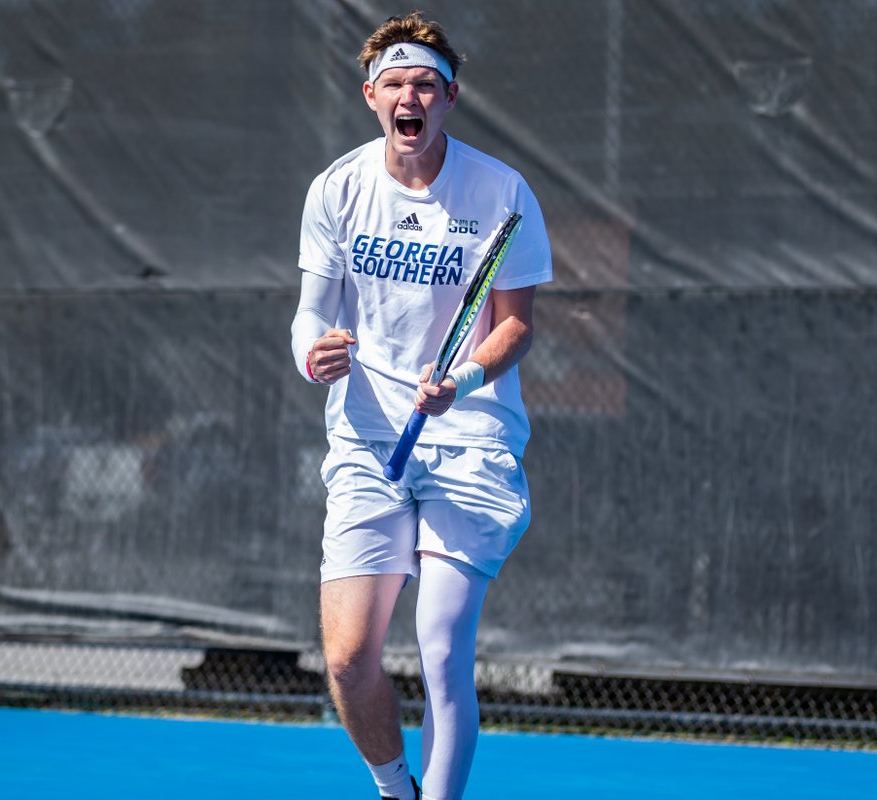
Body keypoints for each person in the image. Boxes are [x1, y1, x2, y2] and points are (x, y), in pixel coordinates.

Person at [290, 11, 553, 800]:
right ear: (373, 95)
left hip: (469, 440)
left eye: (428, 85)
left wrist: (463, 382)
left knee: (439, 650)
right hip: (369, 443)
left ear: (450, 99)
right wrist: (313, 353)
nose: (413, 97)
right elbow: (310, 311)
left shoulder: (502, 192)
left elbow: (515, 325)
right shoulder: (336, 188)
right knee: (347, 659)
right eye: (398, 83)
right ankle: (396, 789)